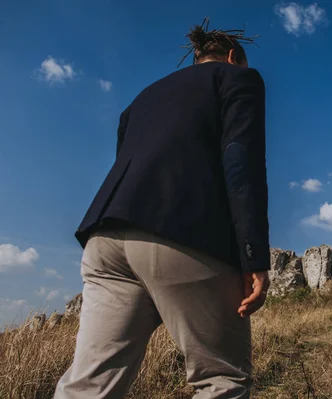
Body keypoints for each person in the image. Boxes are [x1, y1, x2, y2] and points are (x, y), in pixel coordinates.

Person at [54, 20, 270, 399]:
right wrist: (253, 255)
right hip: (181, 233)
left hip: (105, 238)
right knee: (222, 380)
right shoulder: (239, 79)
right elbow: (241, 164)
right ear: (234, 57)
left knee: (89, 385)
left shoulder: (141, 99)